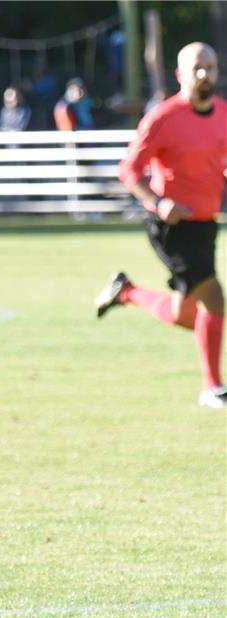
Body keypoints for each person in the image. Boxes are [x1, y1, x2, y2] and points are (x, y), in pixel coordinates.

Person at [94, 42, 227, 409]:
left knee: (187, 316)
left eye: (210, 67)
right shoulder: (163, 118)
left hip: (206, 225)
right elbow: (129, 170)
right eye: (197, 68)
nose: (204, 74)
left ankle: (126, 292)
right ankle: (212, 388)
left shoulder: (224, 114)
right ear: (180, 75)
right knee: (215, 299)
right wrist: (157, 202)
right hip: (171, 227)